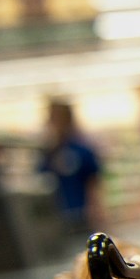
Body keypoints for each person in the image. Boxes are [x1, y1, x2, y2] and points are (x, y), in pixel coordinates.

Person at [41, 98, 102, 231]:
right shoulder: (47, 152)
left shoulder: (81, 149)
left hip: (81, 214)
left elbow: (93, 182)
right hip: (56, 215)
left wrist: (96, 211)